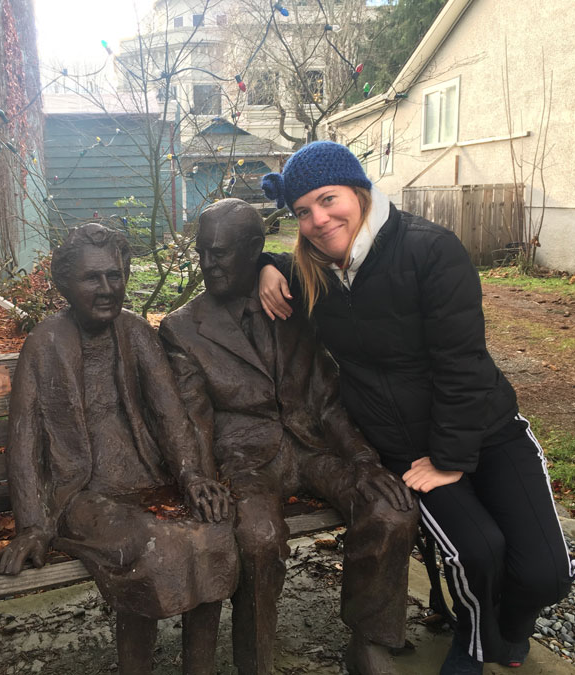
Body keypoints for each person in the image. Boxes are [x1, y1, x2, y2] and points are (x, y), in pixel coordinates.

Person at [257, 141, 575, 674]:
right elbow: (260, 258)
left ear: (358, 191)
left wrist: (450, 458)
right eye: (302, 211)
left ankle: (510, 629)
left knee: (547, 573)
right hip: (402, 446)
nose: (318, 218)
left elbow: (462, 361)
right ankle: (475, 642)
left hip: (487, 428)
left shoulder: (430, 249)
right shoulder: (314, 273)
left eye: (328, 199)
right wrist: (266, 265)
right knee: (477, 552)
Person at [159, 198, 418, 675]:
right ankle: (254, 663)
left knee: (392, 509)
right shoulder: (182, 328)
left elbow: (326, 396)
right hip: (246, 460)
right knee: (258, 539)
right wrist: (198, 476)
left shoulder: (295, 305)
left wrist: (363, 459)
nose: (208, 264)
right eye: (202, 252)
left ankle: (370, 641)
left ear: (255, 250)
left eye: (220, 253)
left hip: (312, 444)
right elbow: (192, 417)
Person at [0, 223, 239, 675]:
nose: (107, 289)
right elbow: (24, 439)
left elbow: (171, 415)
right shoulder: (44, 343)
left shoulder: (136, 332)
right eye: (92, 278)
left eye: (115, 276)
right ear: (65, 283)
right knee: (154, 545)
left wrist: (193, 476)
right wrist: (31, 524)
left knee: (215, 532)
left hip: (149, 480)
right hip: (82, 493)